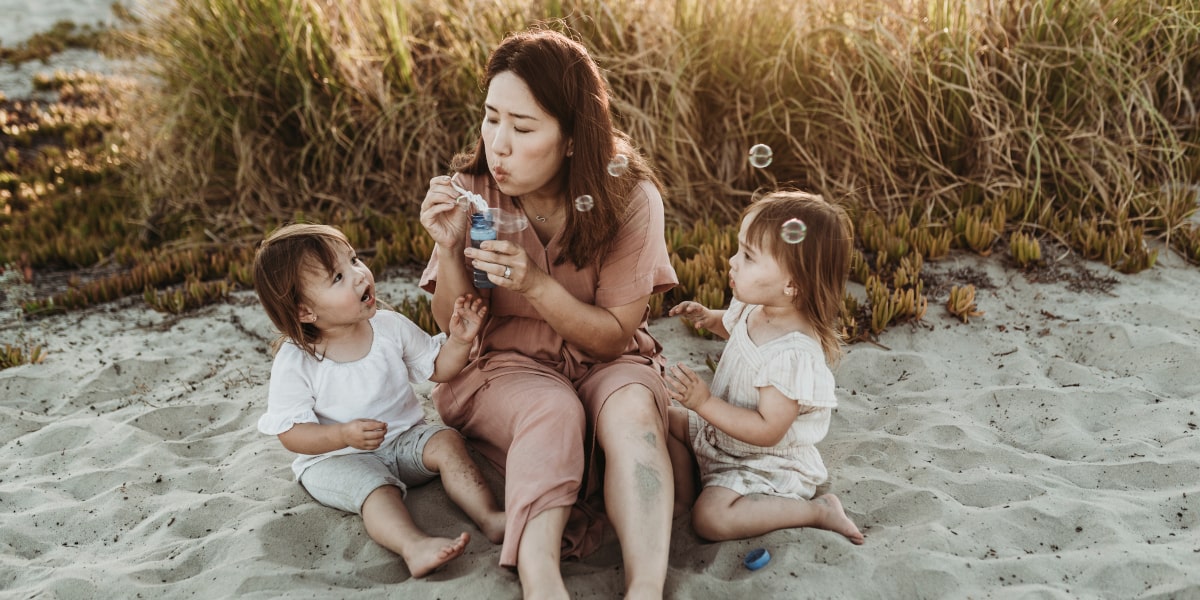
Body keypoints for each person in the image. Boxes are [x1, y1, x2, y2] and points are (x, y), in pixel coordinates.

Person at [417, 27, 678, 599]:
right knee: (552, 408)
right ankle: (541, 582)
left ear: (570, 139)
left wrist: (535, 284)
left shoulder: (630, 198)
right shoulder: (472, 193)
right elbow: (450, 323)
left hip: (604, 358)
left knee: (632, 411)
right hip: (504, 367)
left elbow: (613, 337)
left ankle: (646, 588)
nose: (498, 144)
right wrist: (447, 247)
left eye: (523, 126)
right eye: (491, 118)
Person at [252, 223, 506, 578]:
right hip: (336, 460)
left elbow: (437, 369)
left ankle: (490, 516)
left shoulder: (389, 326)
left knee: (447, 441)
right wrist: (342, 436)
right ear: (303, 312)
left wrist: (460, 342)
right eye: (338, 277)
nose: (358, 276)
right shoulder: (297, 360)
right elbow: (291, 434)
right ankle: (413, 545)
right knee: (376, 489)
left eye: (354, 261)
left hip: (403, 441)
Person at [664, 191, 865, 545]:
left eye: (748, 256)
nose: (732, 261)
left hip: (760, 461)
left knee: (711, 519)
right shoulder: (753, 306)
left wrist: (704, 403)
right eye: (738, 249)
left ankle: (817, 511)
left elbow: (768, 430)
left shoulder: (793, 355)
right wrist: (709, 318)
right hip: (720, 438)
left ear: (792, 285)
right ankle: (682, 497)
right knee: (663, 417)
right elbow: (736, 330)